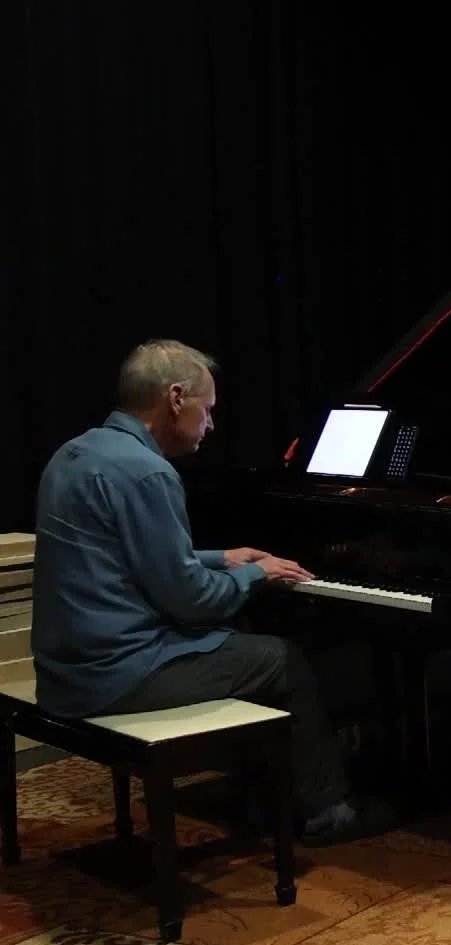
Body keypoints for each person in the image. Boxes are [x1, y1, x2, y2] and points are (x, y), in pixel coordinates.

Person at [32, 339, 386, 844]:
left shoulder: (76, 454)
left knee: (237, 636)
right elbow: (194, 601)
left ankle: (261, 797)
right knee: (281, 660)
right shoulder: (148, 472)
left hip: (63, 670)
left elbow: (122, 555)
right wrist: (256, 575)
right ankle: (329, 811)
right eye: (208, 408)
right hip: (115, 675)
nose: (212, 424)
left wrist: (222, 558)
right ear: (176, 398)